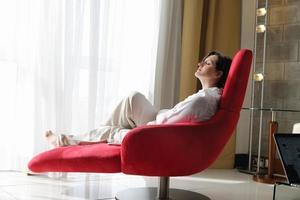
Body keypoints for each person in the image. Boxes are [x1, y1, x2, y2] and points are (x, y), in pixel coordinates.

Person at [46, 51, 232, 146]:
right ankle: (95, 136)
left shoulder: (201, 101)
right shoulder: (207, 96)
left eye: (207, 63)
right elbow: (173, 118)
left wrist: (135, 131)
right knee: (133, 98)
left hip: (156, 135)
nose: (200, 64)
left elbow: (167, 125)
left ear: (218, 73)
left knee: (112, 131)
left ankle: (66, 141)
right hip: (160, 124)